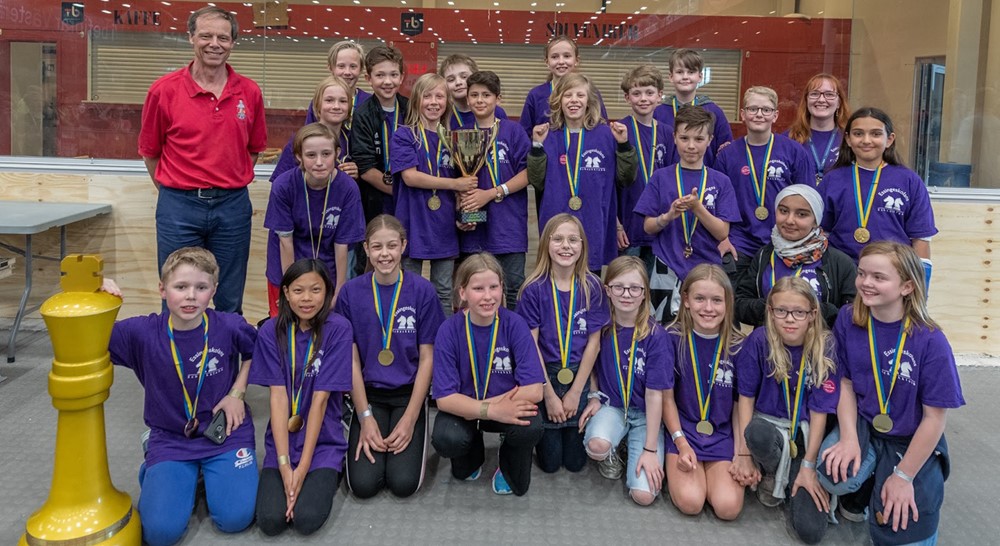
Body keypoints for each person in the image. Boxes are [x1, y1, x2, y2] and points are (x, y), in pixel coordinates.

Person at [104, 247, 257, 546]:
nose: (191, 296)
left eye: (201, 287)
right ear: (162, 289)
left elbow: (258, 353)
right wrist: (98, 295)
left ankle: (201, 477)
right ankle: (162, 468)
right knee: (159, 534)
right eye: (181, 287)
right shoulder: (142, 332)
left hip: (225, 431)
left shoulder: (229, 325)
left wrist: (237, 393)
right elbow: (87, 335)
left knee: (235, 519)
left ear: (214, 290)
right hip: (171, 438)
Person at [819, 242, 964, 545]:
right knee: (832, 474)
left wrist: (904, 476)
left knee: (903, 525)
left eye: (879, 277)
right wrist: (849, 438)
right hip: (866, 425)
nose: (866, 283)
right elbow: (845, 383)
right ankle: (864, 488)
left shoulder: (931, 341)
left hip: (909, 437)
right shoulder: (848, 318)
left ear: (907, 286)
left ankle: (903, 477)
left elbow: (934, 419)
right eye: (862, 274)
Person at [138, 6, 266, 314]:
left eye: (223, 37)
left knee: (230, 299)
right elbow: (150, 152)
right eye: (206, 36)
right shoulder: (163, 91)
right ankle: (176, 349)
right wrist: (178, 192)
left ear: (232, 42)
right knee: (178, 297)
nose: (214, 44)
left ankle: (226, 348)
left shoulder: (249, 92)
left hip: (232, 206)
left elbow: (253, 149)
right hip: (178, 207)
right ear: (191, 37)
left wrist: (226, 179)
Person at [335, 215, 446, 498]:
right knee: (363, 486)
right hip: (368, 395)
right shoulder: (350, 293)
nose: (384, 254)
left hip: (408, 395)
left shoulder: (422, 291)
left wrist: (411, 417)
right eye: (377, 247)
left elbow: (427, 358)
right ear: (366, 249)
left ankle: (410, 421)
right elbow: (351, 360)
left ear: (404, 246)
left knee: (403, 483)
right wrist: (365, 416)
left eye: (392, 246)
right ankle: (359, 421)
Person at [733, 276, 840, 544]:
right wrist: (744, 453)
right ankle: (772, 472)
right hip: (769, 428)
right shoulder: (759, 340)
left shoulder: (825, 345)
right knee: (755, 432)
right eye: (781, 311)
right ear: (770, 311)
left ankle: (793, 475)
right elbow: (745, 398)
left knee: (811, 531)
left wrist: (809, 465)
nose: (789, 319)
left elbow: (820, 412)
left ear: (812, 314)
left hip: (806, 438)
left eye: (799, 312)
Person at [251, 259, 354, 536]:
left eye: (315, 290)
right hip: (283, 441)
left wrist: (304, 467)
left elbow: (320, 401)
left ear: (327, 292)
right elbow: (278, 397)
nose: (307, 298)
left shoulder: (339, 329)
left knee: (307, 519)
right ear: (285, 293)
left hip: (322, 442)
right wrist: (285, 466)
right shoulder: (270, 331)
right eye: (298, 290)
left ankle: (330, 470)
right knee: (270, 521)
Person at [431, 253, 545, 496]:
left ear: (502, 288)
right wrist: (490, 409)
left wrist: (492, 406)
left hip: (498, 407)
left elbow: (535, 390)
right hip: (468, 411)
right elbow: (445, 399)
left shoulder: (515, 324)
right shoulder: (448, 330)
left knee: (531, 427)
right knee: (447, 438)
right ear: (462, 292)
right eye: (478, 288)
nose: (488, 296)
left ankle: (508, 460)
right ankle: (472, 454)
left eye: (494, 287)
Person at [517, 214, 610, 473]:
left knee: (575, 463)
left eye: (573, 240)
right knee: (550, 464)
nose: (565, 246)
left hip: (580, 376)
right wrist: (549, 396)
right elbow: (531, 347)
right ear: (546, 244)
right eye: (557, 239)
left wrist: (575, 393)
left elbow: (594, 344)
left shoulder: (593, 287)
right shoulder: (533, 289)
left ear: (582, 246)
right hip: (545, 376)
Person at [635, 106, 739, 323]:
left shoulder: (721, 181)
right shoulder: (660, 177)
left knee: (703, 323)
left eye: (699, 139)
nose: (691, 146)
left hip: (706, 267)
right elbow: (648, 226)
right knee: (663, 328)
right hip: (666, 265)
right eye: (684, 138)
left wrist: (697, 208)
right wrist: (668, 216)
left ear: (710, 140)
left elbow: (722, 232)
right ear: (674, 137)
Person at [580, 256, 669, 506]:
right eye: (618, 287)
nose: (626, 294)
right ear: (607, 290)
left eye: (634, 288)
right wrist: (594, 396)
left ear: (645, 293)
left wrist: (650, 450)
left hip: (645, 414)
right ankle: (614, 447)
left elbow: (655, 394)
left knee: (644, 496)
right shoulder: (602, 328)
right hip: (613, 407)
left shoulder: (656, 336)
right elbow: (592, 366)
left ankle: (636, 444)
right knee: (596, 446)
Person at [528, 73, 636, 272]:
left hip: (593, 221)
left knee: (589, 279)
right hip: (556, 220)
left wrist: (624, 146)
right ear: (558, 100)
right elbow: (537, 181)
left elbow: (626, 178)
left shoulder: (606, 134)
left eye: (580, 95)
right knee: (555, 277)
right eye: (568, 95)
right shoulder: (547, 134)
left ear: (589, 101)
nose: (574, 100)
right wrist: (536, 147)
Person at [819, 108, 937, 288]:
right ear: (848, 139)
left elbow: (920, 238)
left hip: (893, 276)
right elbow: (821, 232)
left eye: (875, 134)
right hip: (841, 275)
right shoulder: (832, 180)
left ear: (889, 139)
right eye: (858, 134)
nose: (866, 140)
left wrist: (921, 287)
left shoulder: (909, 181)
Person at [662, 264, 745, 520]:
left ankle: (710, 472)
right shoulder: (671, 338)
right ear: (686, 300)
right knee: (691, 502)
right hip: (683, 431)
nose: (708, 308)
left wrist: (742, 453)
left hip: (721, 435)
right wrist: (680, 442)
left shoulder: (739, 346)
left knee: (728, 508)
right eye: (700, 299)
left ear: (728, 302)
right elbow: (666, 399)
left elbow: (740, 404)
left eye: (717, 300)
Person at [392, 72, 478, 315]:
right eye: (427, 96)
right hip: (412, 222)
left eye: (439, 96)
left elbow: (466, 180)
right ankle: (412, 334)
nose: (433, 102)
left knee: (443, 289)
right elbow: (410, 177)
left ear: (447, 101)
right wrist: (455, 185)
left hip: (443, 225)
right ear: (416, 100)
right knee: (409, 288)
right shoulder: (404, 135)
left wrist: (466, 213)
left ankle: (443, 336)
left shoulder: (453, 139)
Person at [263, 123, 365, 317]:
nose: (319, 162)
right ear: (299, 156)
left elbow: (342, 245)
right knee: (286, 328)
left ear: (337, 153)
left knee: (327, 327)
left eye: (326, 154)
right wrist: (290, 289)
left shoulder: (348, 188)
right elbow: (285, 242)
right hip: (286, 269)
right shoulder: (283, 186)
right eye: (311, 155)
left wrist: (339, 290)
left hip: (328, 270)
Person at [715, 86, 812, 277]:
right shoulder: (727, 155)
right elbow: (718, 203)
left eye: (766, 110)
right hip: (739, 242)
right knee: (732, 293)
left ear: (775, 115)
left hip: (784, 241)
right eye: (753, 109)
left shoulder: (795, 152)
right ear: (743, 114)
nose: (759, 114)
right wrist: (722, 239)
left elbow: (807, 200)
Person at [456, 70, 532, 309]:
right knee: (475, 291)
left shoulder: (513, 131)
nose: (480, 100)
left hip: (509, 228)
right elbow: (455, 181)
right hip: (475, 228)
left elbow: (529, 173)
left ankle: (511, 333)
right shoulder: (461, 134)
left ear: (498, 98)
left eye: (486, 95)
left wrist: (492, 193)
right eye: (474, 95)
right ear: (467, 99)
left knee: (513, 290)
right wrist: (462, 213)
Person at [735, 184, 856, 328]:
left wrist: (810, 310)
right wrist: (775, 307)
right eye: (783, 211)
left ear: (816, 220)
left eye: (802, 214)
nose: (789, 220)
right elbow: (740, 304)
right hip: (769, 340)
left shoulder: (840, 263)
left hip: (819, 341)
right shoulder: (764, 256)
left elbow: (851, 316)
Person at [617, 64, 676, 275]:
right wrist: (616, 225)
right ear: (627, 97)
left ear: (660, 96)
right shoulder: (619, 131)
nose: (643, 99)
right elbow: (608, 186)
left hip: (658, 223)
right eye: (636, 93)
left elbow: (672, 179)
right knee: (625, 279)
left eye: (649, 93)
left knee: (649, 283)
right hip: (628, 223)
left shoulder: (668, 133)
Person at [351, 45, 408, 241]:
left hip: (409, 199)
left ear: (402, 77)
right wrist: (404, 193)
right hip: (376, 200)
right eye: (380, 75)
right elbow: (366, 169)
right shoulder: (362, 114)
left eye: (393, 75)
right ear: (368, 78)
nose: (388, 81)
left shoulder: (411, 109)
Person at [271, 76, 361, 184]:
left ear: (350, 107)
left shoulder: (355, 139)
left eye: (343, 101)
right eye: (329, 100)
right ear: (317, 105)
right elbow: (280, 184)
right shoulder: (301, 139)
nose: (336, 106)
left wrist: (357, 173)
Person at [653, 48, 733, 166]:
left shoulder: (714, 112)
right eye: (680, 72)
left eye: (691, 72)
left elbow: (725, 151)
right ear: (671, 77)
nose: (685, 77)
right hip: (667, 175)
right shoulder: (658, 113)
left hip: (705, 175)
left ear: (700, 77)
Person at [786, 73, 851, 185]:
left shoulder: (850, 139)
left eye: (829, 94)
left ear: (839, 103)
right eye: (814, 94)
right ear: (806, 101)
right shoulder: (788, 139)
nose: (821, 99)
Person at [304, 41, 371, 126]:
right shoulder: (320, 101)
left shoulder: (370, 102)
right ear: (330, 68)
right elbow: (309, 132)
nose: (347, 72)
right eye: (341, 66)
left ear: (361, 69)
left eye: (353, 66)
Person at [437, 54, 508, 129]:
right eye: (451, 80)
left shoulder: (496, 111)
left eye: (464, 77)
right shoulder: (443, 114)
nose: (458, 82)